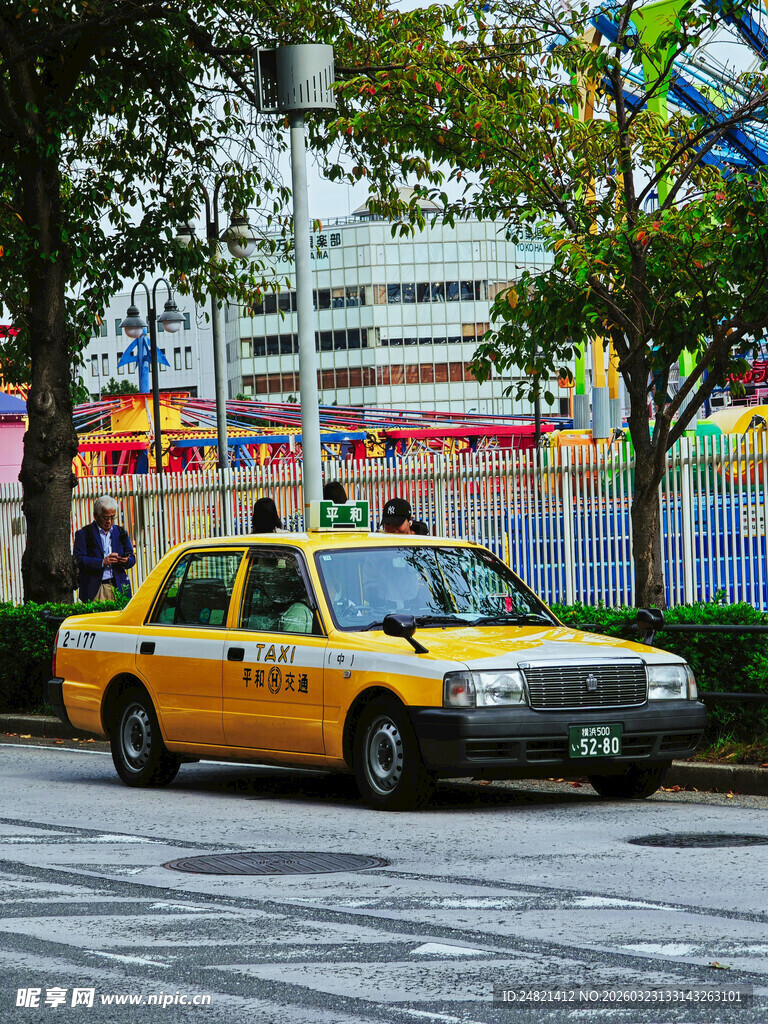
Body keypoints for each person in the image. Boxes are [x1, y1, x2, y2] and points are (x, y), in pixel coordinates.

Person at [73, 495, 135, 603]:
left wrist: (126, 560)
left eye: (113, 517)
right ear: (96, 516)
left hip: (118, 587)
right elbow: (78, 559)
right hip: (95, 589)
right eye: (106, 518)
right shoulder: (84, 533)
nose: (109, 521)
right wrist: (102, 562)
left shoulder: (120, 532)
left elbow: (131, 557)